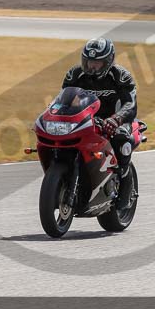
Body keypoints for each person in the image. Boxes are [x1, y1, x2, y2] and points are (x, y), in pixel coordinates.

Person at [61, 37, 137, 208]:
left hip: (115, 120)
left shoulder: (121, 76)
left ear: (108, 61)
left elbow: (130, 103)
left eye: (97, 62)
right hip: (84, 120)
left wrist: (116, 119)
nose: (91, 66)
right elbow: (63, 100)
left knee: (122, 140)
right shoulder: (75, 74)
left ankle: (125, 188)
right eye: (88, 61)